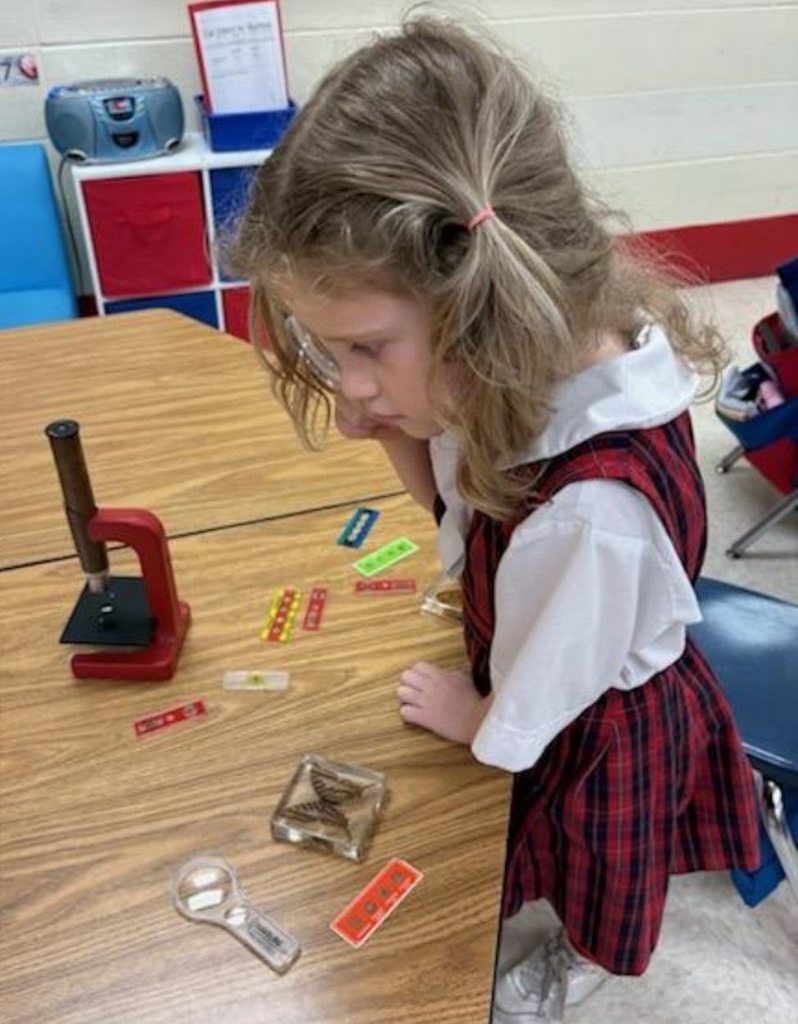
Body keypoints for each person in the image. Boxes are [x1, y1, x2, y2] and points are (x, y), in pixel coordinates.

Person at [229, 17, 760, 1022]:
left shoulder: (590, 516)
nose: (346, 381)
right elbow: (468, 506)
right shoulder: (542, 365)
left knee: (596, 861)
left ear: (487, 307)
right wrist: (389, 420)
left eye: (367, 346)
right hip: (570, 646)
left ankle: (587, 960)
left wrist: (480, 720)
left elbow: (544, 687)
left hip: (598, 718)